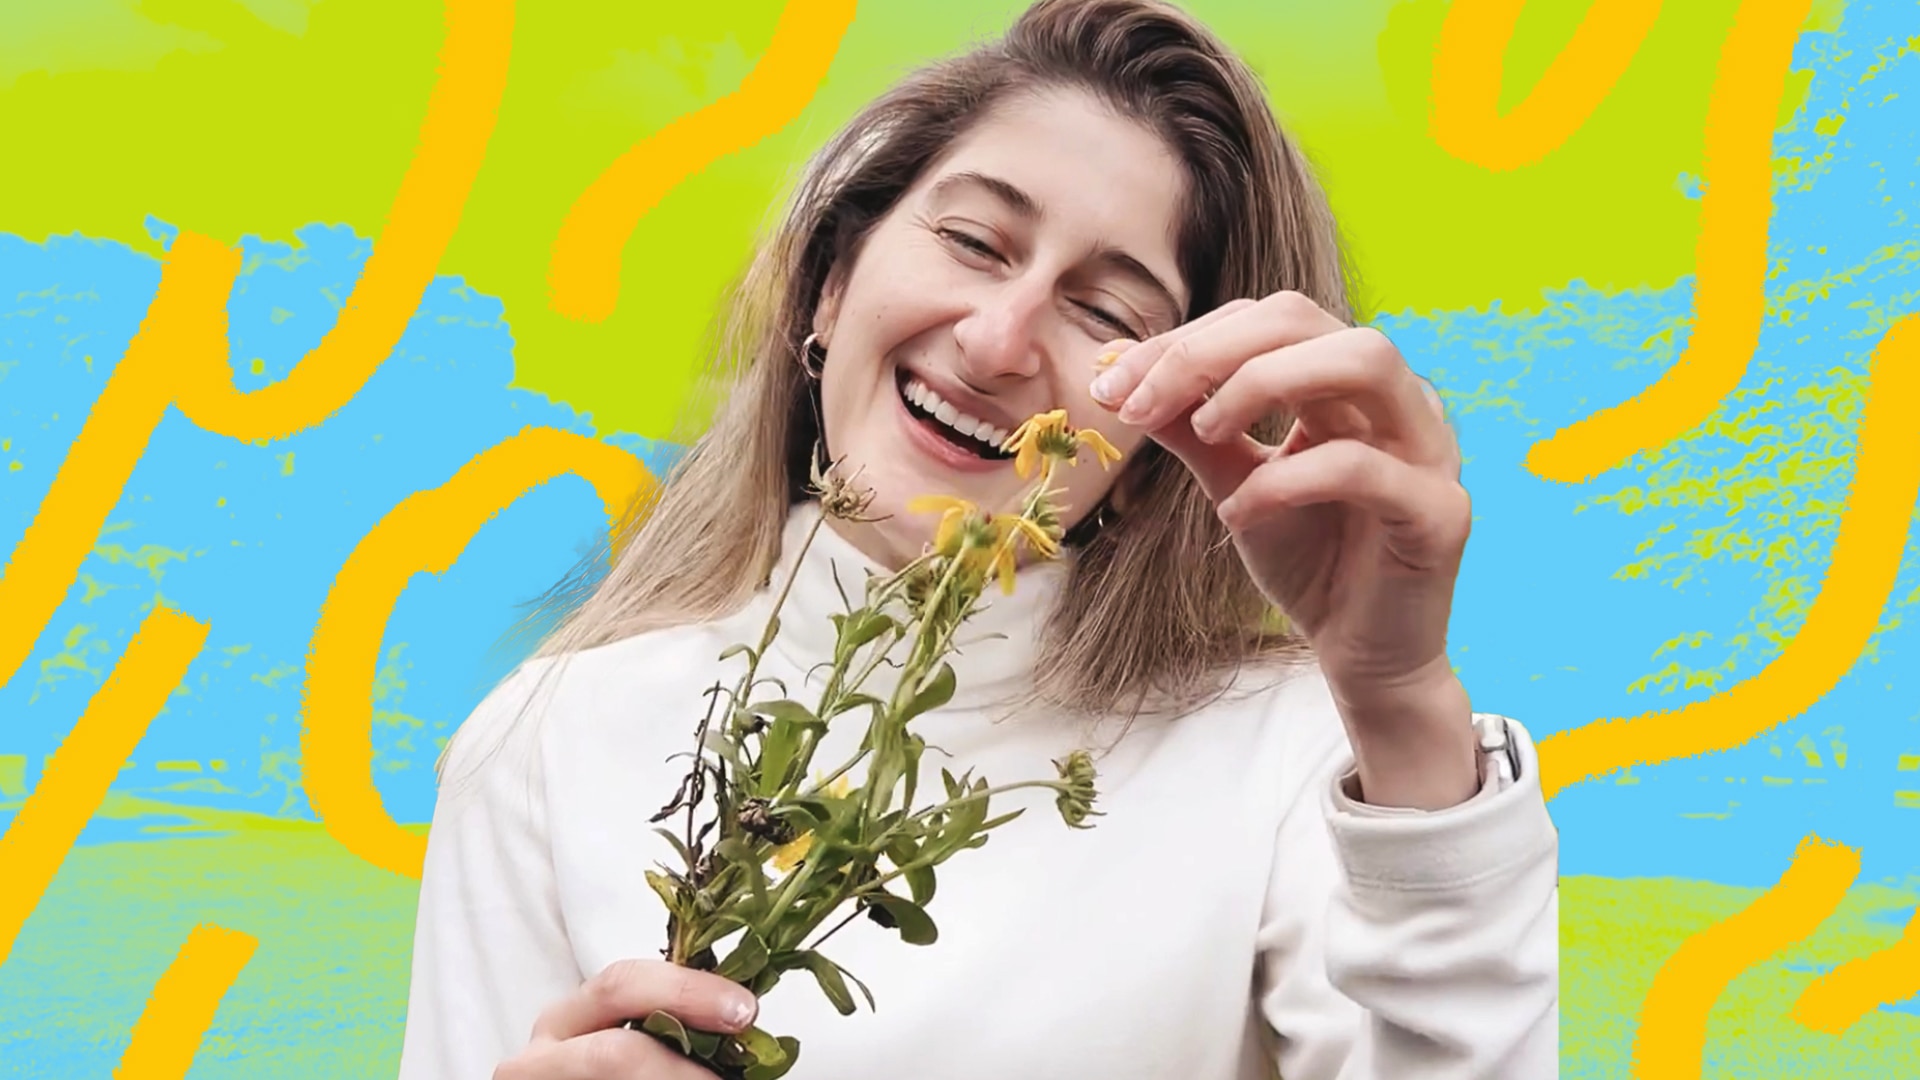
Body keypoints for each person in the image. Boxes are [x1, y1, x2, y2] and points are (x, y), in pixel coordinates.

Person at [396, 0, 1561, 1076]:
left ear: (1161, 459)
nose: (1000, 342)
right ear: (830, 285)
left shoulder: (1305, 762)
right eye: (973, 241)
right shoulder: (545, 746)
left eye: (1107, 313)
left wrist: (1400, 693)